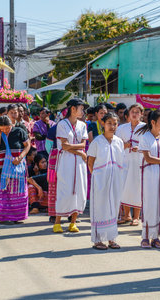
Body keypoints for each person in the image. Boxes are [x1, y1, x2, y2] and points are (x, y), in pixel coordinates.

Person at [137, 109, 160, 249]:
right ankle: (145, 236)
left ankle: (156, 237)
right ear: (153, 122)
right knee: (149, 204)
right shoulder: (145, 137)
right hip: (150, 175)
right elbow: (148, 158)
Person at [87, 112, 124, 250]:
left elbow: (121, 162)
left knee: (114, 208)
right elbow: (90, 162)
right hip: (100, 181)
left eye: (115, 123)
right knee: (100, 208)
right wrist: (97, 177)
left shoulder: (119, 142)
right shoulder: (97, 141)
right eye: (109, 123)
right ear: (103, 124)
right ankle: (98, 240)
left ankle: (112, 239)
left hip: (115, 181)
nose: (112, 126)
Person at [53, 99, 89, 233]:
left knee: (79, 190)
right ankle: (57, 222)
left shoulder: (83, 125)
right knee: (64, 189)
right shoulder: (62, 124)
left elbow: (83, 144)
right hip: (66, 161)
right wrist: (79, 151)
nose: (83, 111)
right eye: (81, 108)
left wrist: (73, 148)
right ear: (73, 109)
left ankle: (73, 222)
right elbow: (64, 146)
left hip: (79, 162)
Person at [0, 116, 31, 225]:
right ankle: (5, 218)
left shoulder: (19, 132)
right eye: (2, 129)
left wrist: (21, 157)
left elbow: (27, 146)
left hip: (17, 167)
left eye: (7, 128)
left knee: (18, 193)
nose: (5, 131)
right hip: (2, 169)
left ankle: (17, 217)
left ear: (11, 125)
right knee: (3, 193)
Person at [115, 104, 145, 226]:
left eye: (137, 112)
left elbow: (149, 144)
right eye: (132, 111)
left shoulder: (146, 128)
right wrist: (124, 145)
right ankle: (126, 215)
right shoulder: (122, 128)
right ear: (128, 113)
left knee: (137, 188)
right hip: (125, 161)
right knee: (124, 188)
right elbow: (115, 143)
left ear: (141, 114)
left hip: (139, 161)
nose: (134, 114)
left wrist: (140, 148)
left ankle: (136, 217)